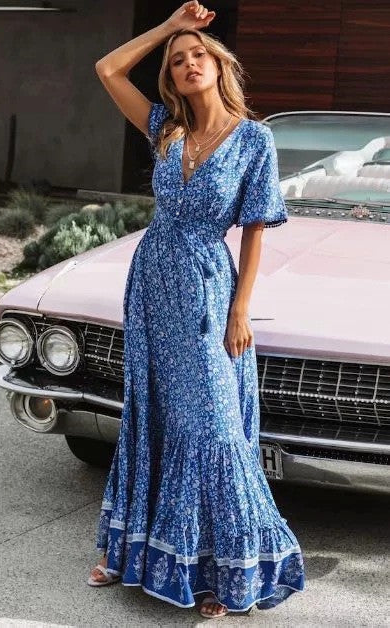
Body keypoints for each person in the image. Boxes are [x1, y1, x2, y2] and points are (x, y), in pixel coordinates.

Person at [88, 0, 305, 619]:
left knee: (212, 428)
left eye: (197, 55)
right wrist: (170, 27)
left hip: (208, 287)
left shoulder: (254, 140)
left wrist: (241, 311)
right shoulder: (165, 127)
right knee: (152, 412)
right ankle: (130, 551)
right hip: (153, 281)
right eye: (178, 60)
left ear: (219, 65)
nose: (187, 63)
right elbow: (107, 69)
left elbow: (255, 231)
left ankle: (220, 568)